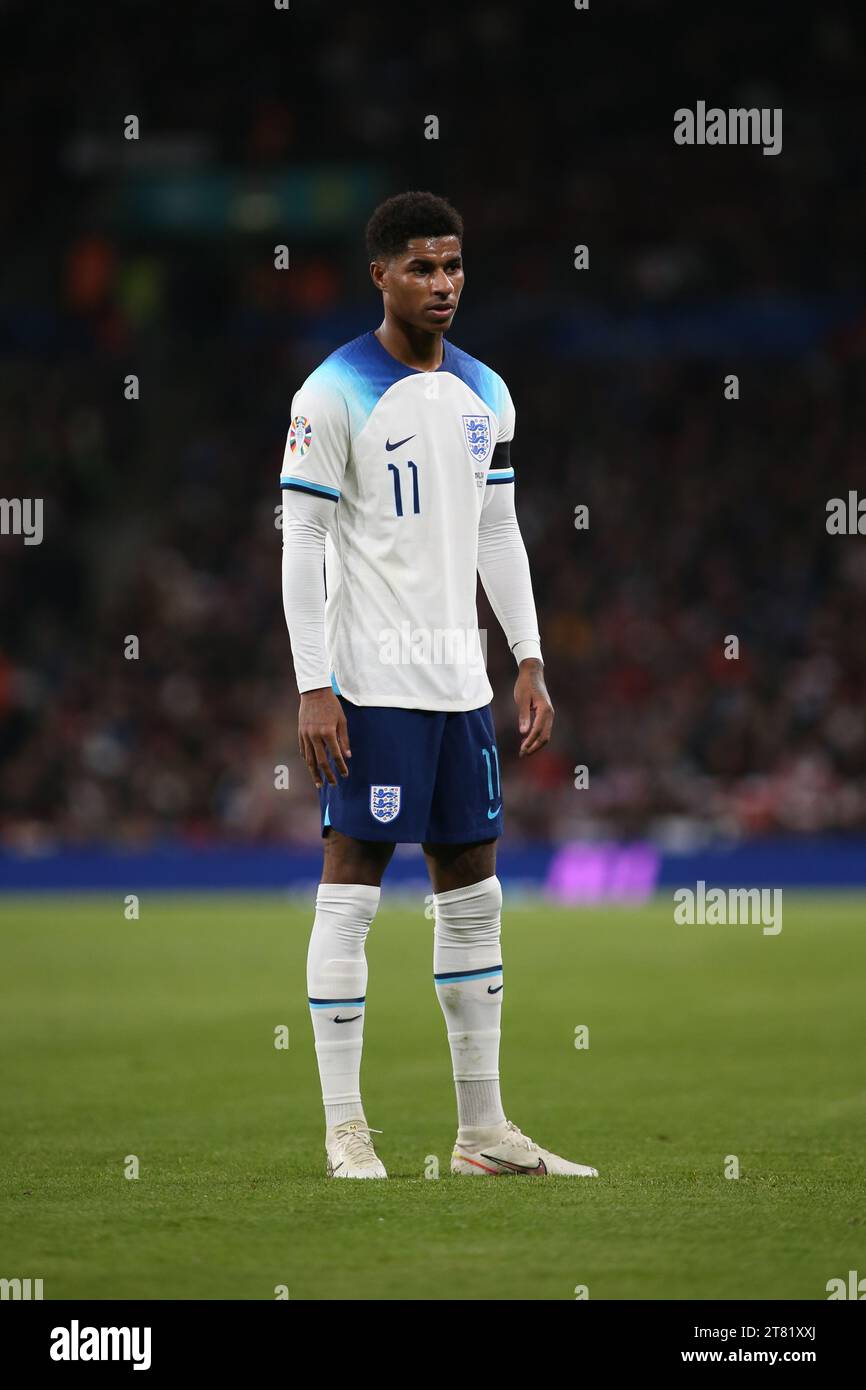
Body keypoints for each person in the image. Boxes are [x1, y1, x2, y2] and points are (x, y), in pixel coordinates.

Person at [280, 190, 598, 1179]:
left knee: (473, 897)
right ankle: (344, 1128)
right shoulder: (330, 392)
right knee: (352, 894)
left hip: (461, 689)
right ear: (378, 273)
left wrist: (529, 654)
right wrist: (313, 683)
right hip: (371, 686)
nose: (442, 284)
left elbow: (495, 527)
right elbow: (304, 538)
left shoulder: (486, 393)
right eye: (420, 267)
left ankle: (481, 1133)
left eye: (453, 266)